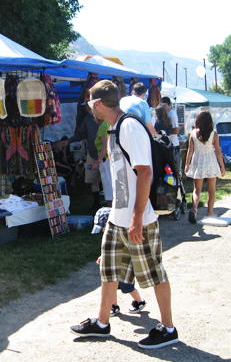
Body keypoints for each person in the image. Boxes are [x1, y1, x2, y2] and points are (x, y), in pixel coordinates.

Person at [70, 80, 178, 349]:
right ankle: (102, 323)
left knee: (154, 273)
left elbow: (145, 172)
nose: (89, 109)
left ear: (97, 104)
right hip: (118, 219)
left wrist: (137, 217)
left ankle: (168, 328)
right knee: (108, 271)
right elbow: (122, 180)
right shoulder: (114, 128)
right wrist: (115, 219)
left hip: (137, 219)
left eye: (89, 104)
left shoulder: (129, 127)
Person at [92, 207, 147, 315]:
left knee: (128, 287)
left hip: (124, 267)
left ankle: (139, 301)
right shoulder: (108, 236)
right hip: (113, 267)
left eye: (104, 228)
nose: (103, 231)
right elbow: (108, 250)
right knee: (112, 286)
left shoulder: (121, 235)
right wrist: (102, 256)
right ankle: (113, 306)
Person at [184, 111, 226, 223]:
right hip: (211, 161)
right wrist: (222, 166)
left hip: (198, 161)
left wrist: (187, 164)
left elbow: (190, 150)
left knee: (197, 189)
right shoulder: (214, 135)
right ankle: (210, 212)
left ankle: (194, 209)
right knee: (211, 190)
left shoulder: (193, 133)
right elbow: (218, 151)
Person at [62, 106, 102, 209]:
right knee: (92, 179)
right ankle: (97, 204)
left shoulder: (107, 117)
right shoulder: (88, 118)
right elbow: (80, 134)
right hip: (93, 153)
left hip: (107, 155)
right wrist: (69, 141)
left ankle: (112, 205)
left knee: (109, 181)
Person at [160, 96, 182, 174]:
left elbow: (176, 130)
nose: (163, 107)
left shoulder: (172, 115)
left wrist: (164, 133)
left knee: (174, 168)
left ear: (168, 105)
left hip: (173, 144)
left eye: (164, 105)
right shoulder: (166, 114)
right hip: (168, 144)